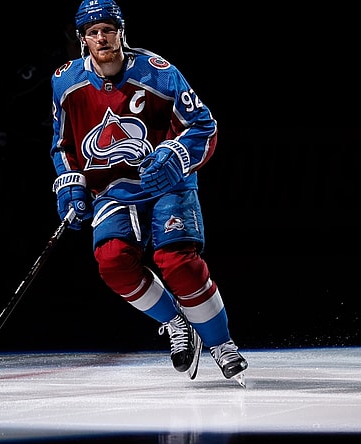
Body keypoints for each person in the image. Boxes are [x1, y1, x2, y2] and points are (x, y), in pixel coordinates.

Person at [49, 0, 247, 383]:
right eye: (93, 32)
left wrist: (176, 153)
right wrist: (70, 183)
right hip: (113, 189)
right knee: (112, 262)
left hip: (165, 180)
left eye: (108, 29)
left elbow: (203, 126)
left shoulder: (159, 72)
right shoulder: (65, 82)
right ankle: (176, 321)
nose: (101, 38)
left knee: (178, 262)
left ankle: (221, 344)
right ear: (82, 39)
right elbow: (63, 144)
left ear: (121, 32)